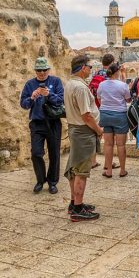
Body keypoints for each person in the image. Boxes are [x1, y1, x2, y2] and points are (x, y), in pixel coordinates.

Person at [64, 55, 102, 221]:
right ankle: (78, 209)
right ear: (82, 68)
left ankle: (74, 203)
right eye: (89, 67)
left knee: (74, 169)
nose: (90, 70)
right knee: (81, 171)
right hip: (83, 132)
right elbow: (86, 115)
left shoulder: (70, 84)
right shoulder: (80, 88)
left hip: (75, 129)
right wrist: (99, 130)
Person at [20, 57, 64, 194]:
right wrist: (32, 98)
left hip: (53, 123)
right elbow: (24, 104)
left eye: (44, 69)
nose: (42, 72)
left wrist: (49, 94)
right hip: (37, 123)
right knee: (36, 153)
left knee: (54, 154)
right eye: (39, 70)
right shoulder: (29, 84)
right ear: (35, 71)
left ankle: (52, 182)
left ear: (48, 70)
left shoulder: (55, 81)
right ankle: (40, 180)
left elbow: (61, 100)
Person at [97, 63, 131, 178]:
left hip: (105, 114)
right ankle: (122, 170)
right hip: (119, 115)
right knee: (121, 145)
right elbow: (128, 99)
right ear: (117, 72)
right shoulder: (122, 85)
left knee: (108, 144)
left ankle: (109, 171)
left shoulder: (102, 84)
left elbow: (99, 98)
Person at [90, 53, 122, 170]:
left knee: (95, 134)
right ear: (112, 62)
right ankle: (108, 163)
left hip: (95, 108)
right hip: (107, 110)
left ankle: (93, 161)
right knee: (109, 139)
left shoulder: (96, 74)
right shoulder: (110, 76)